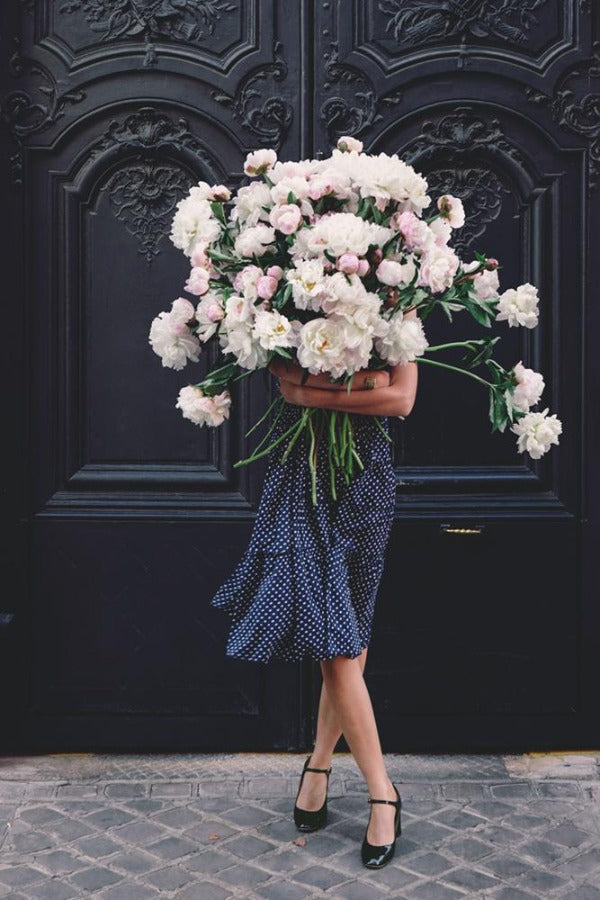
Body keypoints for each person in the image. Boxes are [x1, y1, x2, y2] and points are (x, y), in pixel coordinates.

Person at [210, 309, 419, 868]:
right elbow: (281, 374)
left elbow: (400, 399)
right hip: (301, 469)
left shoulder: (402, 299)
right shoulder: (279, 294)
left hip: (368, 475)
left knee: (353, 630)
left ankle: (319, 765)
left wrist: (315, 395)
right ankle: (383, 793)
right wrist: (359, 384)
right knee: (336, 640)